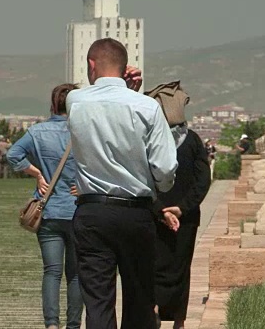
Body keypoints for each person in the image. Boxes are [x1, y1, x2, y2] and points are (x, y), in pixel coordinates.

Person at [66, 38, 178, 329]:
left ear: (91, 65)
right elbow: (165, 169)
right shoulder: (148, 107)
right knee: (139, 299)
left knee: (98, 302)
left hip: (92, 211)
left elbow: (100, 102)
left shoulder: (75, 101)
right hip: (136, 212)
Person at [7, 83, 83, 329]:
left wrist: (36, 173)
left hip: (48, 210)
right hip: (78, 209)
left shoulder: (37, 132)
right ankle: (73, 324)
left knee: (51, 271)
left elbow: (13, 155)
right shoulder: (83, 131)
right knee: (75, 274)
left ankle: (51, 324)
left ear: (52, 104)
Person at [145, 81, 212, 329]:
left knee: (154, 264)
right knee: (181, 267)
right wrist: (183, 208)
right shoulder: (193, 141)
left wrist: (161, 209)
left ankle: (154, 309)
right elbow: (203, 179)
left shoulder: (150, 141)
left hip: (155, 215)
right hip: (187, 217)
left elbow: (144, 179)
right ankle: (179, 321)